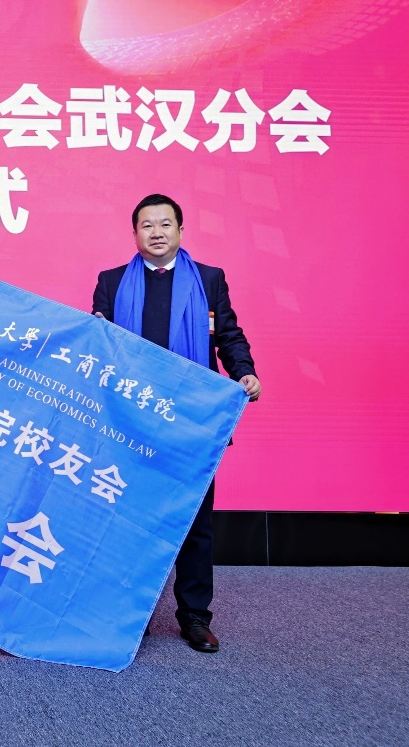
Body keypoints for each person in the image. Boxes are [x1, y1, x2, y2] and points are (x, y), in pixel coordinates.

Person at [92, 193, 260, 654]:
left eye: (165, 224)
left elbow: (228, 336)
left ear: (181, 231)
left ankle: (194, 617)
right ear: (135, 234)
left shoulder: (209, 279)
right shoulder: (110, 283)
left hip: (190, 420)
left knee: (195, 521)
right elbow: (100, 347)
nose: (157, 232)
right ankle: (132, 614)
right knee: (128, 517)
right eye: (147, 225)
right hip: (132, 422)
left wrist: (244, 371)